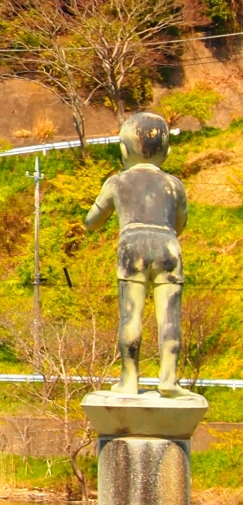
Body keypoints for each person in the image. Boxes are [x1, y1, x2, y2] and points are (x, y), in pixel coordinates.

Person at [83, 111, 188, 396]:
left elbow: (92, 221)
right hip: (168, 245)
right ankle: (169, 378)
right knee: (169, 317)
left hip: (132, 246)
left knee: (131, 315)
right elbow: (180, 223)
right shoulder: (173, 184)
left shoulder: (117, 182)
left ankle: (130, 378)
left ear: (122, 150)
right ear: (167, 151)